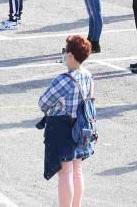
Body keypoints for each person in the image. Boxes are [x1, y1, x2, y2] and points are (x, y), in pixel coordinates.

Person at [39, 35, 96, 205]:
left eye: (65, 52)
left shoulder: (64, 80)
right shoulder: (87, 75)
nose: (64, 55)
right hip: (81, 127)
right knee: (77, 169)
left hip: (63, 128)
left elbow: (43, 103)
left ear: (71, 56)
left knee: (65, 172)